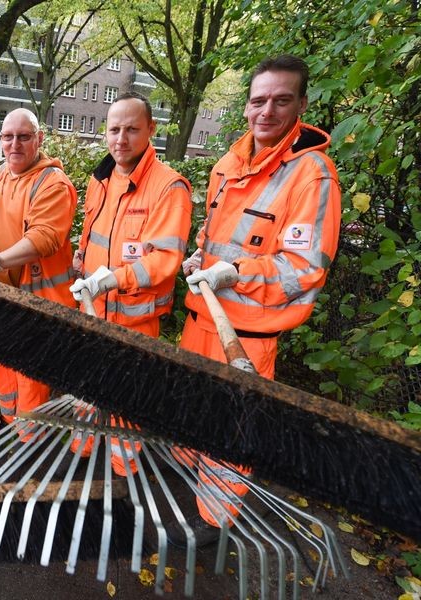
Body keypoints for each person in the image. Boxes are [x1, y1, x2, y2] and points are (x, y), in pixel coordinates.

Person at [176, 54, 341, 544]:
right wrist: (198, 258)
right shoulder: (228, 163)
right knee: (191, 412)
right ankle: (187, 485)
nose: (266, 111)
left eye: (280, 100)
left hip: (246, 336)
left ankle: (216, 517)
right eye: (258, 100)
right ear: (246, 106)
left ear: (301, 104)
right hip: (201, 319)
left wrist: (236, 273)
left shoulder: (313, 174)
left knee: (231, 432)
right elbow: (215, 232)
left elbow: (306, 269)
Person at [69, 91, 192, 476]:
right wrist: (81, 255)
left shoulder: (169, 187)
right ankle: (80, 460)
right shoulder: (101, 179)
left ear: (151, 129)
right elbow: (93, 233)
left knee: (126, 408)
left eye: (131, 130)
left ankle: (123, 477)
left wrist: (113, 279)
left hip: (134, 323)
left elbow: (164, 261)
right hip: (92, 315)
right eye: (114, 129)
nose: (121, 139)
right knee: (85, 396)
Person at [0, 108, 77, 426]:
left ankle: (30, 449)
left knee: (30, 388)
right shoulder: (1, 173)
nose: (14, 145)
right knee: (6, 378)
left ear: (39, 139)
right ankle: (13, 433)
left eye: (23, 137)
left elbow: (45, 238)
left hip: (35, 306)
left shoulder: (52, 183)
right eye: (7, 137)